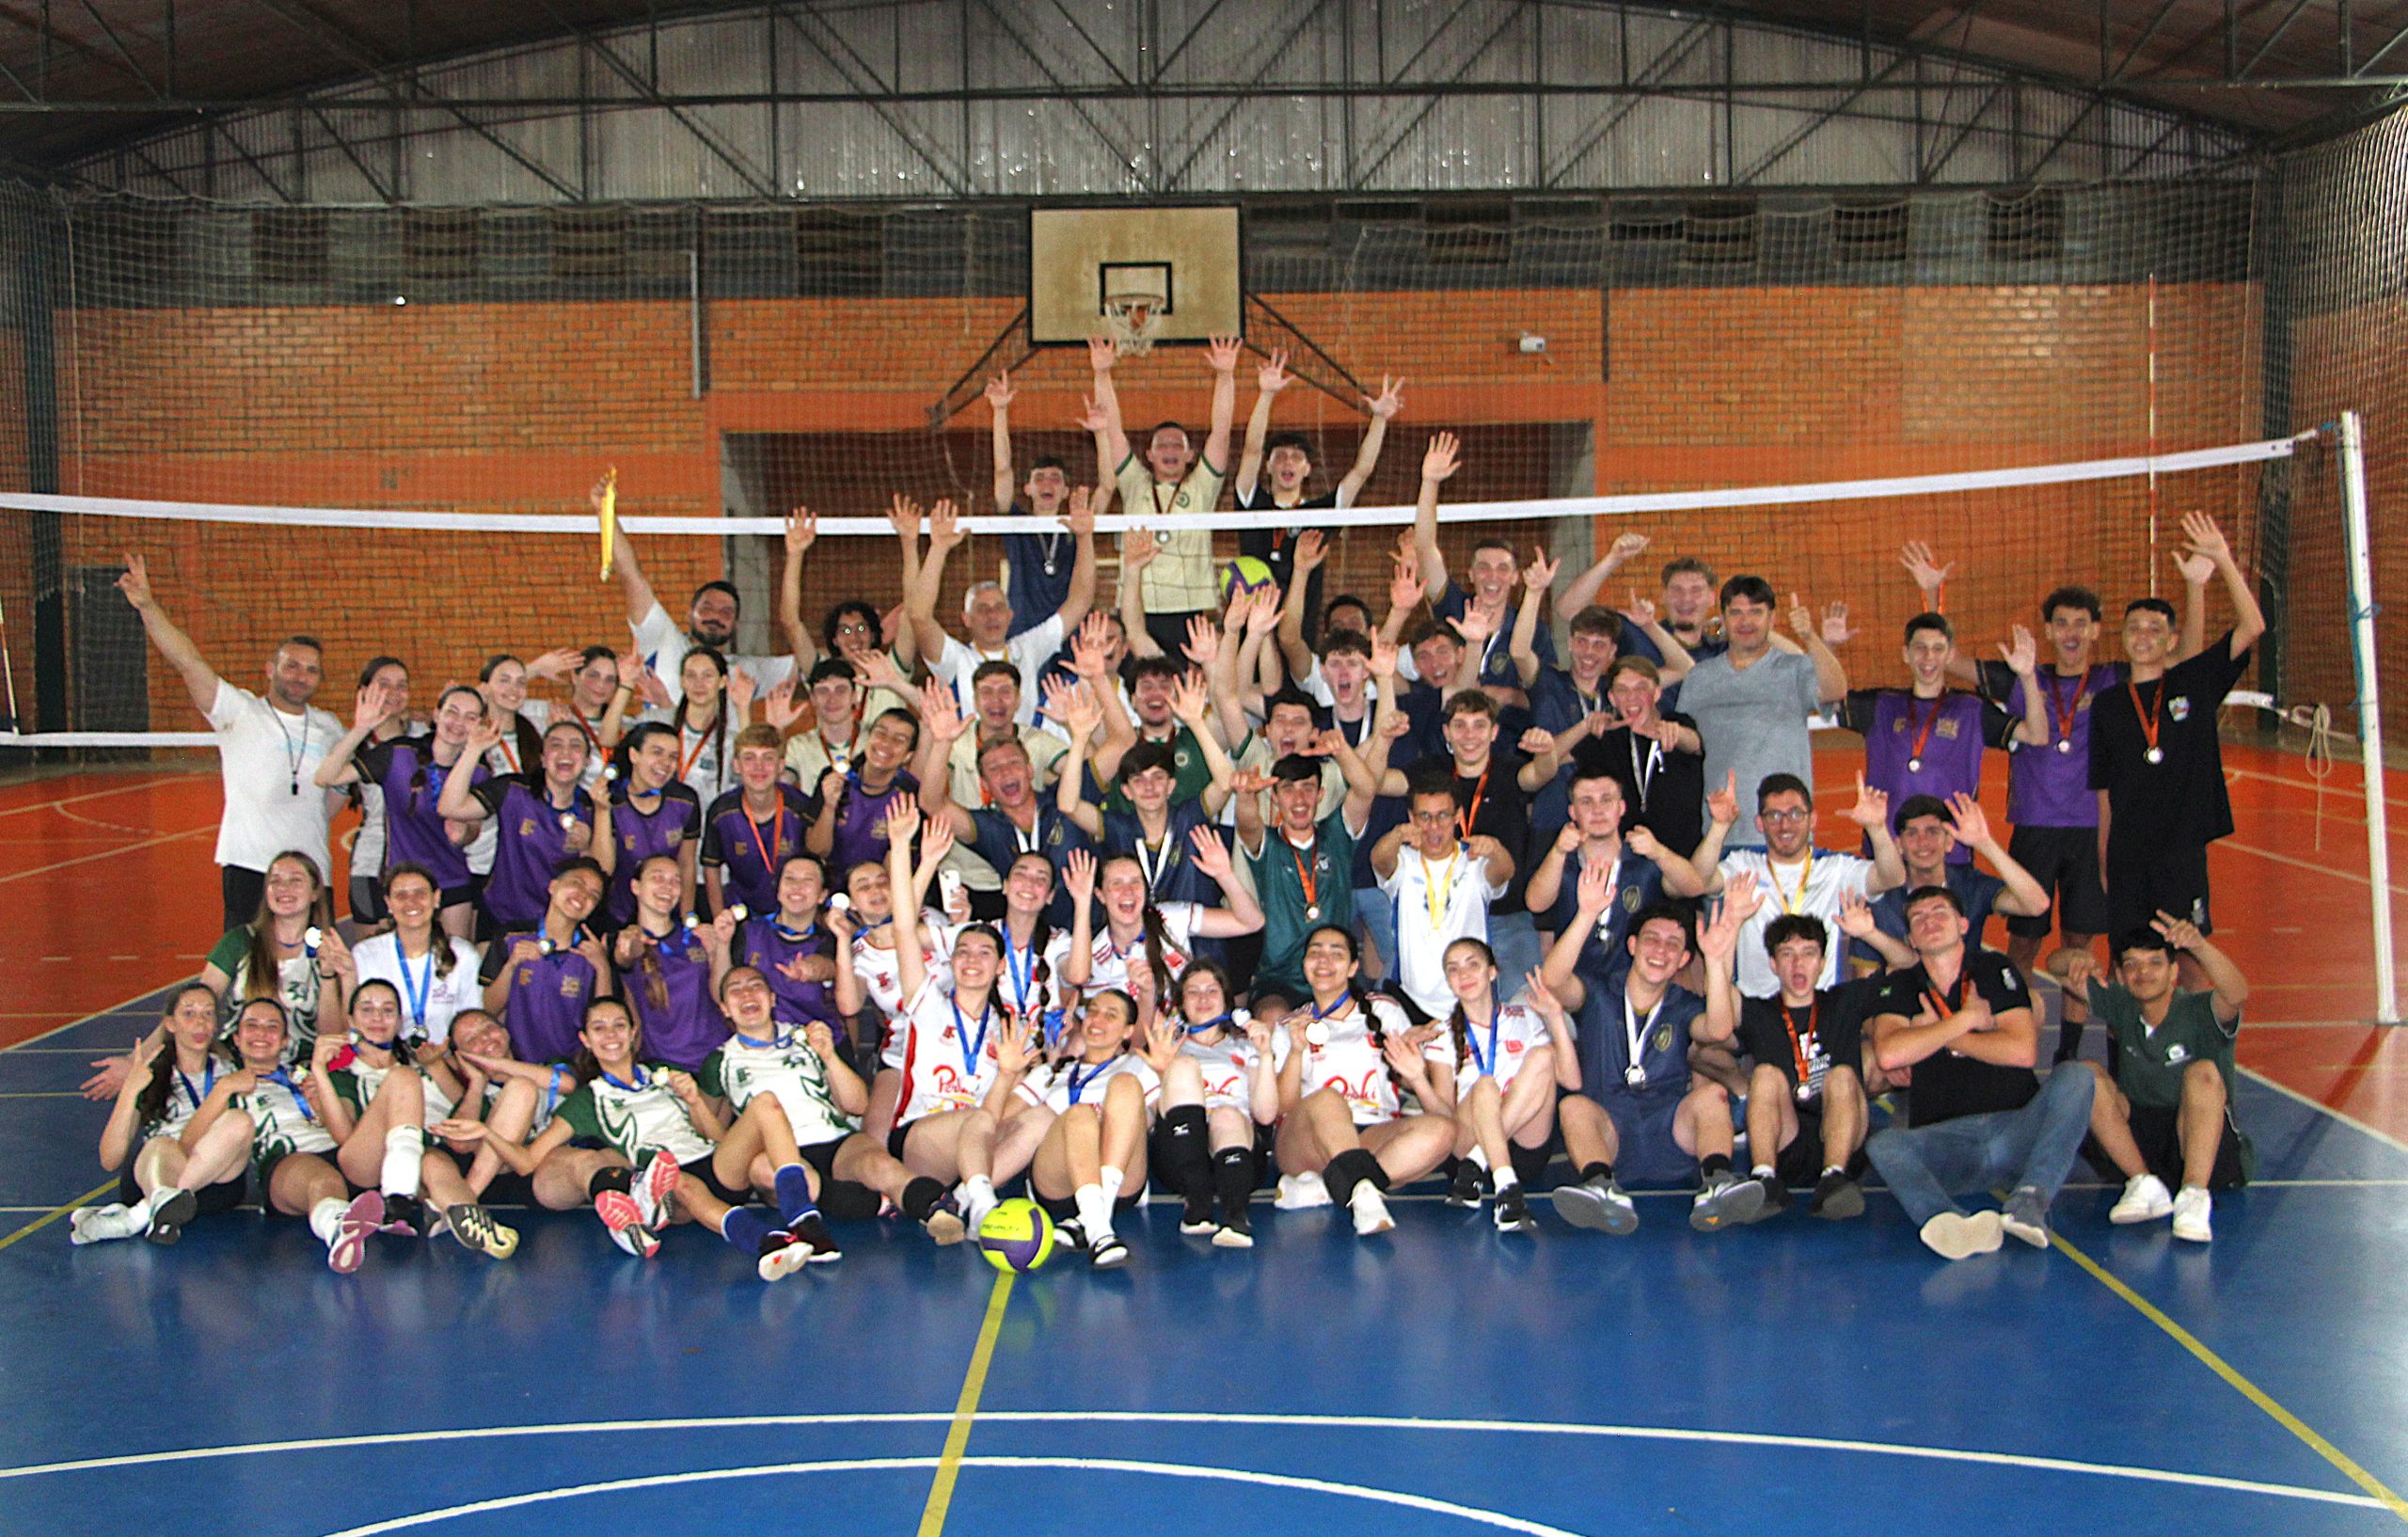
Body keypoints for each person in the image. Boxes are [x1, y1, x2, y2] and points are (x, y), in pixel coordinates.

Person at [472, 996, 822, 1277]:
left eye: (619, 1026)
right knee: (679, 1180)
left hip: (716, 1164)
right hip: (671, 1185)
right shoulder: (588, 1099)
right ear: (586, 1040)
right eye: (599, 1028)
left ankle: (804, 1219)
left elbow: (715, 1136)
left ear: (633, 1032)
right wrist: (488, 1132)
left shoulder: (663, 1073)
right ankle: (766, 1241)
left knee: (765, 1104)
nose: (611, 1035)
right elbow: (527, 1162)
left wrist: (695, 1101)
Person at [1862, 886, 2096, 1260]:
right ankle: (1947, 1221)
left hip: (2017, 1129)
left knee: (2078, 1077)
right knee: (1884, 1145)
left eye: (1939, 912)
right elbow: (1889, 1054)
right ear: (1910, 939)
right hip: (1948, 1144)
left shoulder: (1994, 969)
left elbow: (2022, 1050)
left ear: (1963, 925)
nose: (1929, 921)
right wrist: (1969, 1020)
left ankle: (2030, 1199)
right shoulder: (1900, 984)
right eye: (1918, 918)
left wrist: (1940, 1035)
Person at [118, 552, 346, 928]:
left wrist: (308, 816)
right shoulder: (239, 711)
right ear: (270, 670)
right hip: (250, 867)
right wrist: (147, 606)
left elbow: (339, 789)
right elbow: (188, 661)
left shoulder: (329, 726)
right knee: (248, 969)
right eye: (291, 666)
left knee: (315, 964)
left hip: (312, 871)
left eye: (311, 671)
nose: (300, 676)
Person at [1543, 880, 1765, 1234]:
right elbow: (1553, 980)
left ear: (1684, 960)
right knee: (1573, 1107)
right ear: (1632, 945)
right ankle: (1600, 1185)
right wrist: (1586, 913)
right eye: (1651, 939)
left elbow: (1719, 1029)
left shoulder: (1682, 1003)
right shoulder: (1599, 991)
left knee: (1712, 1096)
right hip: (1610, 1134)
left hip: (1671, 1132)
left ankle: (1718, 1181)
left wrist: (1717, 963)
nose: (1661, 950)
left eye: (1673, 944)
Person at [2090, 513, 2266, 953]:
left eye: (2155, 630)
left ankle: (2194, 1025)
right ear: (2123, 638)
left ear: (2172, 641)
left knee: (2189, 955)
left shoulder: (2193, 684)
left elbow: (2252, 627)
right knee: (2128, 959)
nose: (2143, 636)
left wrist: (2222, 560)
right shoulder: (2109, 705)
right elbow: (2104, 793)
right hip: (2129, 854)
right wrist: (2105, 860)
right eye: (2134, 628)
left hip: (2181, 852)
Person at [877, 807, 1046, 1237]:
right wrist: (904, 849)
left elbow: (992, 1115)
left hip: (974, 1143)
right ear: (951, 961)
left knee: (1042, 1117)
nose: (972, 959)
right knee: (975, 1121)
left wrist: (1009, 1073)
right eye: (964, 951)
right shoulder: (927, 1001)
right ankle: (985, 1206)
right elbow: (901, 928)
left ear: (1001, 967)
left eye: (984, 953)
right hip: (920, 1141)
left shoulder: (1006, 1027)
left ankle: (968, 1197)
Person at [695, 964, 941, 1257]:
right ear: (724, 1009)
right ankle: (841, 1202)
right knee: (769, 1171)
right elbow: (711, 1130)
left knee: (881, 1166)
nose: (747, 993)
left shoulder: (808, 1038)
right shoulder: (720, 1061)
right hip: (780, 1155)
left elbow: (858, 1105)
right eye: (735, 990)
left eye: (755, 985)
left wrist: (829, 1056)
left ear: (773, 998)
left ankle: (936, 1209)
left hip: (835, 1140)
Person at [2056, 916, 2250, 1244]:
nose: (2142, 973)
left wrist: (2199, 946)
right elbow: (2055, 965)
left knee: (2203, 1073)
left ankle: (2194, 1196)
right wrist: (2076, 958)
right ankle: (2143, 1184)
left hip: (2200, 1143)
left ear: (2174, 973)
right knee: (2084, 1074)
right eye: (2132, 964)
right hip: (2143, 1146)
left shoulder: (2198, 1011)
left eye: (2155, 963)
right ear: (2120, 975)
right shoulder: (2122, 1004)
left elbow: (2236, 993)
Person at [1269, 926, 1457, 1237]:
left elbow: (1410, 1083)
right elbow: (1283, 1106)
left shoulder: (1386, 1010)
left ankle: (1335, 1186)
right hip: (1306, 1140)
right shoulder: (1289, 1024)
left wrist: (1414, 1074)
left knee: (1443, 1130)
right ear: (1304, 964)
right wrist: (1296, 1051)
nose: (1324, 960)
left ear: (1354, 967)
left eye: (1336, 953)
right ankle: (1361, 1191)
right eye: (1315, 952)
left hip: (1372, 1132)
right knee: (1329, 1099)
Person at [173, 999, 387, 1273]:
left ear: (285, 1041)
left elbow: (349, 1129)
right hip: (288, 1166)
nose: (261, 1033)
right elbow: (188, 1144)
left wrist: (322, 1100)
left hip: (341, 1156)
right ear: (236, 1039)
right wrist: (223, 1091)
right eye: (252, 1026)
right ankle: (338, 1229)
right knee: (321, 1178)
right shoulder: (225, 1086)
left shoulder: (306, 1076)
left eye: (272, 1027)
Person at [1656, 770, 1905, 1000]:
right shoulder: (1742, 864)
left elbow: (1892, 878)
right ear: (1759, 823)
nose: (1785, 825)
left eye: (1795, 814)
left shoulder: (1835, 868)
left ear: (1813, 820)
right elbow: (1696, 882)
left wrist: (1877, 829)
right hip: (1756, 1008)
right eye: (1774, 815)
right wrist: (1719, 827)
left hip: (1821, 1005)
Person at [314, 979, 519, 1257]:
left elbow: (471, 1121)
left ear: (399, 1021)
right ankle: (397, 1196)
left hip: (425, 1157)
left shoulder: (427, 1065)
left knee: (436, 1163)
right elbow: (343, 1137)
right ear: (350, 1019)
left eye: (387, 1010)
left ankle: (472, 1218)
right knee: (403, 1078)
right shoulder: (346, 1074)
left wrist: (441, 1070)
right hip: (367, 1164)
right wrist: (318, 1070)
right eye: (367, 1009)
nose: (377, 1017)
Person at [1378, 690, 1560, 993]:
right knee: (1394, 992)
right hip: (1440, 913)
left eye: (1479, 725)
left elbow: (1542, 772)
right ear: (1446, 732)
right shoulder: (1430, 773)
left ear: (1494, 732)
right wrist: (1383, 740)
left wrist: (1546, 751)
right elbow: (1377, 783)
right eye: (1460, 725)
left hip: (1505, 915)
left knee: (1523, 996)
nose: (1469, 735)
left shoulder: (1511, 770)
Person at [1087, 332, 1242, 657]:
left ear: (1190, 456)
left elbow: (1222, 431)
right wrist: (1102, 373)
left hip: (1194, 607)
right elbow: (1114, 430)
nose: (1170, 450)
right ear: (1149, 455)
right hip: (1139, 607)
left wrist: (1225, 375)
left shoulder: (1202, 485)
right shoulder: (1134, 484)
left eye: (1178, 445)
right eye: (1162, 445)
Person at [1231, 352, 1403, 633]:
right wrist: (1265, 395)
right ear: (1269, 466)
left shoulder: (1320, 513)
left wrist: (1380, 419)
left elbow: (1361, 471)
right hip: (1251, 630)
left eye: (1296, 457)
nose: (1288, 462)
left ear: (1307, 469)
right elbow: (1251, 450)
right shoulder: (1252, 500)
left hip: (1300, 633)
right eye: (1281, 456)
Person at [71, 985, 252, 1246]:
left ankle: (139, 1216)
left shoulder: (232, 1069)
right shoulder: (151, 1075)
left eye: (208, 1014)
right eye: (189, 1014)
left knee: (240, 1122)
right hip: (154, 1172)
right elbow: (110, 1159)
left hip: (216, 1181)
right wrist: (130, 1090)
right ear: (170, 1024)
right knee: (161, 1145)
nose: (200, 1022)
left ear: (215, 1024)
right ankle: (160, 1202)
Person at [1673, 577, 1848, 846]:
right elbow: (1686, 745)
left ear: (1772, 618)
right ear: (1723, 618)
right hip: (1722, 832)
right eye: (1736, 613)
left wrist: (1810, 637)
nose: (1746, 622)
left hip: (1785, 832)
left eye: (1756, 612)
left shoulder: (1795, 669)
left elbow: (1835, 690)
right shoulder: (1700, 678)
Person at [1007, 989, 1176, 1268]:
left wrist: (1164, 1075)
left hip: (1120, 1183)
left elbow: (1168, 1123)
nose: (1097, 1019)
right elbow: (999, 1120)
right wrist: (1007, 1074)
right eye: (1093, 1011)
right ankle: (1100, 1231)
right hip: (1059, 1184)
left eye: (1111, 1015)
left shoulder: (1139, 1066)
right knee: (1079, 1115)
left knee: (1125, 1084)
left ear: (1127, 1031)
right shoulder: (1051, 1072)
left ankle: (1093, 1218)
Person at [602, 476, 808, 705]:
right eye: (707, 608)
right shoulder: (663, 637)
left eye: (727, 612)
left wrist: (850, 645)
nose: (716, 617)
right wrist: (605, 512)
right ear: (690, 612)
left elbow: (810, 660)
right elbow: (631, 576)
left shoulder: (747, 671)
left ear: (735, 625)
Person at [1837, 613, 2045, 835]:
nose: (1929, 657)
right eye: (1920, 648)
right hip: (1887, 845)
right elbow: (1824, 695)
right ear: (1905, 654)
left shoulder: (1971, 709)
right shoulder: (1881, 704)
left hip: (1951, 846)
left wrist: (2027, 677)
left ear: (1950, 655)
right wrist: (1829, 645)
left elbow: (2037, 735)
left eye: (1938, 649)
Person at [314, 682, 489, 938]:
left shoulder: (479, 770)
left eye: (470, 717)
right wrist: (360, 728)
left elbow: (473, 829)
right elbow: (325, 777)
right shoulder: (398, 754)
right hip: (403, 880)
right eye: (452, 712)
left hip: (453, 881)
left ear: (479, 725)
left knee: (455, 961)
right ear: (436, 714)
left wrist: (462, 834)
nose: (458, 723)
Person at [910, 492, 1098, 726]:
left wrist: (1084, 537)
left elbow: (1080, 602)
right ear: (966, 620)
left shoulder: (1028, 648)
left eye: (999, 607)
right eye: (982, 609)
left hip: (1023, 753)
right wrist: (938, 549)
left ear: (1010, 616)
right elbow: (918, 616)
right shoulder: (956, 659)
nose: (991, 615)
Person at [1433, 941, 1578, 1233]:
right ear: (1449, 983)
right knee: (1485, 1086)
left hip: (1523, 1145)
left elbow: (1572, 1081)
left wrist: (1555, 1017)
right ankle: (1506, 1190)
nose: (1464, 974)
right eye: (1454, 969)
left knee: (1544, 1055)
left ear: (1492, 972)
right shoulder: (1440, 1032)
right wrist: (1414, 1079)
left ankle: (1480, 1161)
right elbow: (1442, 1114)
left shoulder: (1524, 1016)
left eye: (1472, 964)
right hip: (1465, 1143)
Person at [1735, 915, 1871, 1219]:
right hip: (1786, 1140)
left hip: (1844, 1140)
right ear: (1773, 964)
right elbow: (1717, 1020)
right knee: (1765, 1074)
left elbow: (1905, 966)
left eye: (1808, 954)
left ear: (1822, 963)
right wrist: (1723, 944)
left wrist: (1870, 933)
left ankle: (1834, 1178)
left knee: (1842, 1074)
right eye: (1787, 954)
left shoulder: (1844, 1001)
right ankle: (1765, 1179)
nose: (1798, 964)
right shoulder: (1758, 1011)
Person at [1410, 432, 1554, 704]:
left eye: (1502, 569)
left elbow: (1545, 696)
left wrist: (1507, 696)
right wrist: (1429, 483)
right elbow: (1424, 547)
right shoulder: (1453, 606)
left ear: (1514, 578)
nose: (1492, 576)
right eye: (1484, 568)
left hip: (1507, 740)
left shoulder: (1531, 629)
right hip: (1449, 733)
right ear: (1471, 574)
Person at [1054, 837, 1265, 1016]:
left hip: (1193, 1036)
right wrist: (1082, 901)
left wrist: (1224, 875)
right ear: (1100, 895)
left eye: (1135, 882)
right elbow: (1077, 983)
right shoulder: (1094, 954)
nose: (1128, 891)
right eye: (1117, 883)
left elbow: (1251, 922)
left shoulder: (1169, 917)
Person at [1373, 766, 1517, 1024]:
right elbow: (1379, 861)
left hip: (1470, 998)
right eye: (1424, 816)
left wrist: (1495, 849)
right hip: (1413, 1000)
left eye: (1443, 816)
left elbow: (1504, 872)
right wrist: (1396, 835)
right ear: (1412, 817)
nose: (1434, 826)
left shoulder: (1474, 860)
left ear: (1457, 816)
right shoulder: (1404, 860)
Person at [439, 715, 606, 933]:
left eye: (575, 746)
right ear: (544, 758)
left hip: (560, 924)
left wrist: (587, 845)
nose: (565, 753)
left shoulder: (593, 806)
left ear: (586, 761)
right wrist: (473, 750)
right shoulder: (513, 790)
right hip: (502, 918)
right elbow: (449, 807)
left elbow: (603, 871)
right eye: (556, 745)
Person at [1155, 962, 1279, 1247]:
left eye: (1212, 991)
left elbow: (1265, 1114)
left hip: (1235, 1153)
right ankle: (1197, 1203)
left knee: (1227, 1115)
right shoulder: (1169, 1046)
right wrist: (1161, 1071)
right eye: (1193, 992)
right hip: (1181, 1158)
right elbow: (1150, 1116)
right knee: (1183, 1066)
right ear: (1181, 1002)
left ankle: (1236, 1217)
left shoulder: (1244, 1047)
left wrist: (1266, 1054)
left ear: (1226, 999)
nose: (1203, 999)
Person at [1849, 795, 2050, 972]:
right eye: (1912, 833)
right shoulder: (1879, 897)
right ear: (1898, 846)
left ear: (1950, 842)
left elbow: (2036, 905)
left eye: (1933, 832)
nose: (1923, 842)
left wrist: (1985, 844)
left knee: (2034, 1002)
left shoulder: (1970, 885)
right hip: (1904, 999)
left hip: (1965, 993)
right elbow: (1864, 981)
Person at [198, 848, 345, 1053]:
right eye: (275, 881)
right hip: (241, 1064)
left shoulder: (328, 947)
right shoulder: (239, 941)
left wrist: (328, 974)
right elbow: (196, 1007)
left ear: (315, 892)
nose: (283, 888)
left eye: (295, 880)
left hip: (302, 1071)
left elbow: (332, 1037)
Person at [1523, 770, 1664, 982]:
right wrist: (1558, 852)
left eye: (1606, 800)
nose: (1597, 810)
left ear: (1622, 807)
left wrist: (1661, 853)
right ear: (1572, 812)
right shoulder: (1562, 861)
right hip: (1573, 984)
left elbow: (1694, 886)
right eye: (1586, 802)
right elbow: (1535, 903)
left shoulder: (1645, 860)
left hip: (1634, 984)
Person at [480, 856, 614, 1065]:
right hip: (516, 1064)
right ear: (553, 886)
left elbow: (606, 1019)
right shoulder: (511, 936)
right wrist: (511, 966)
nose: (583, 895)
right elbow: (488, 1009)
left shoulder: (593, 952)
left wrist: (603, 968)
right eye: (576, 883)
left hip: (571, 1070)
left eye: (593, 895)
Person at [983, 372, 1085, 639]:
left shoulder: (1077, 525)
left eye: (1055, 479)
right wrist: (1000, 411)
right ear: (1027, 489)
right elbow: (1002, 470)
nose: (1046, 484)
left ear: (1065, 491)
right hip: (1023, 632)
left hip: (1069, 631)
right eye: (1039, 478)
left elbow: (1108, 486)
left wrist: (1101, 433)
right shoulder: (1015, 522)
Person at [610, 854, 735, 1070]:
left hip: (716, 1056)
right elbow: (626, 956)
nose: (667, 887)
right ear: (636, 886)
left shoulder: (697, 937)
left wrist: (721, 947)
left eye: (676, 880)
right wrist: (631, 946)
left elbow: (722, 995)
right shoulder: (627, 939)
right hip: (665, 1065)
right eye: (657, 878)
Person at [346, 864, 484, 1047]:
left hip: (448, 1061)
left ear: (436, 899)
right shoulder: (365, 954)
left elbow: (472, 1020)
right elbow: (354, 1024)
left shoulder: (463, 954)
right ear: (388, 903)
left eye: (420, 894)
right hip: (385, 1060)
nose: (411, 902)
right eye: (401, 895)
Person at [1580, 657, 1705, 858]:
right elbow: (1554, 758)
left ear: (1656, 693)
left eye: (1641, 688)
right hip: (1630, 861)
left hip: (1681, 857)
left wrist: (1675, 734)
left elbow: (1694, 744)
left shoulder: (1677, 723)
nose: (1631, 697)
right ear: (1612, 698)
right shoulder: (1609, 737)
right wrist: (1584, 726)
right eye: (1622, 690)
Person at [701, 723, 818, 918]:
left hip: (794, 911)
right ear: (736, 766)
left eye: (768, 758)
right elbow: (711, 869)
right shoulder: (721, 811)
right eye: (749, 758)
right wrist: (719, 919)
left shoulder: (801, 806)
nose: (759, 767)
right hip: (742, 912)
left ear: (781, 766)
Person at [732, 855, 848, 1040]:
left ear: (822, 895)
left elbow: (828, 966)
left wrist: (810, 969)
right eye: (790, 879)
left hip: (819, 1043)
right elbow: (723, 990)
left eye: (807, 880)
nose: (797, 886)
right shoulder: (749, 932)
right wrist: (720, 945)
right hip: (760, 1044)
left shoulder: (835, 937)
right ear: (778, 890)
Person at [342, 656, 419, 927]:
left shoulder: (425, 736)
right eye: (384, 684)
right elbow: (326, 783)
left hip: (421, 862)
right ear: (364, 692)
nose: (394, 693)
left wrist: (533, 669)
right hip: (371, 864)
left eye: (402, 685)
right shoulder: (352, 745)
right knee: (372, 956)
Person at [602, 721, 703, 925]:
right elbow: (604, 868)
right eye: (657, 752)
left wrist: (687, 919)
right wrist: (601, 810)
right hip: (619, 915)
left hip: (667, 913)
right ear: (634, 755)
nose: (665, 763)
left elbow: (686, 864)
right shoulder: (611, 800)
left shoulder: (685, 800)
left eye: (673, 757)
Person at [804, 708, 920, 883]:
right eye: (881, 733)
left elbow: (895, 873)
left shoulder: (909, 796)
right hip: (833, 890)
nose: (886, 743)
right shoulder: (834, 778)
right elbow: (816, 851)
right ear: (868, 737)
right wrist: (829, 807)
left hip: (878, 892)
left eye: (899, 740)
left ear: (908, 756)